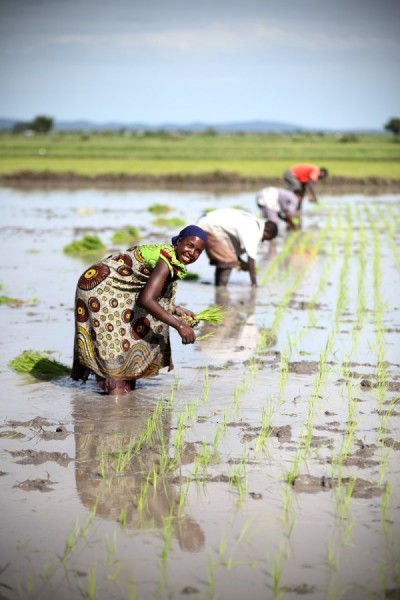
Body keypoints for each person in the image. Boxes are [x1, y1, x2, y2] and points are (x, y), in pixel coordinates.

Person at [71, 225, 207, 395]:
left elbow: (147, 292)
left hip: (119, 291)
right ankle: (114, 396)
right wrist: (179, 326)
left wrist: (176, 310)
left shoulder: (172, 258)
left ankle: (121, 387)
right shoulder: (165, 261)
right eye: (189, 245)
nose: (192, 253)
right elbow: (147, 300)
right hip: (101, 290)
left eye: (198, 251)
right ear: (179, 241)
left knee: (133, 334)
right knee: (114, 347)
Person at [197, 208, 278, 287]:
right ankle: (221, 289)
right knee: (228, 260)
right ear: (266, 231)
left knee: (227, 258)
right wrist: (254, 284)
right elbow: (251, 260)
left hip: (208, 222)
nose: (263, 241)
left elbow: (232, 249)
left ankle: (218, 287)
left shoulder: (253, 222)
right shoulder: (253, 231)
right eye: (266, 239)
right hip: (209, 226)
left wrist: (241, 263)